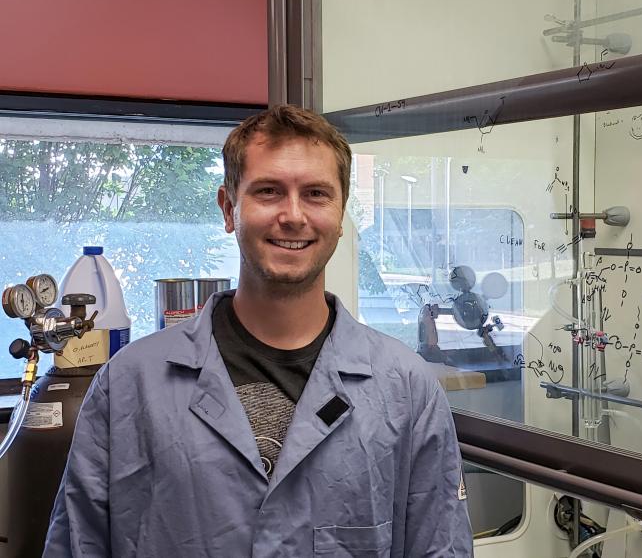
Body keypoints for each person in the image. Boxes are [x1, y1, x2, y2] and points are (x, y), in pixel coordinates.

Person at [44, 105, 473, 557]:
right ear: (229, 209)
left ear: (341, 213)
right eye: (268, 191)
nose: (293, 215)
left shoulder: (406, 390)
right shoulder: (129, 386)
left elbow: (439, 547)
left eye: (316, 194)